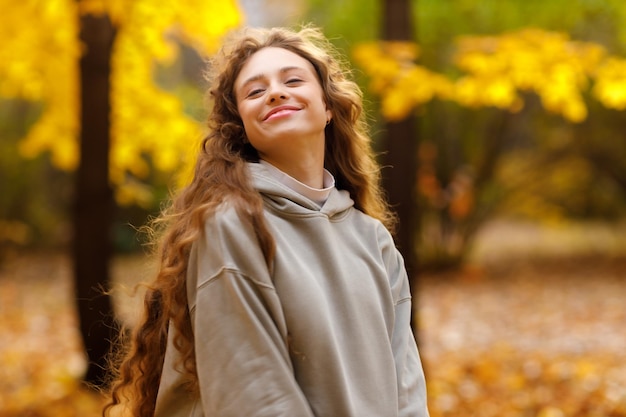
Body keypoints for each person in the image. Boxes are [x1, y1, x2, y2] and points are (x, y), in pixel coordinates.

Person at [103, 25, 429, 417]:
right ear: (241, 125)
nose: (275, 92)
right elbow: (255, 394)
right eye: (255, 91)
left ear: (328, 107)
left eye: (293, 80)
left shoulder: (373, 239)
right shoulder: (230, 225)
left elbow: (406, 386)